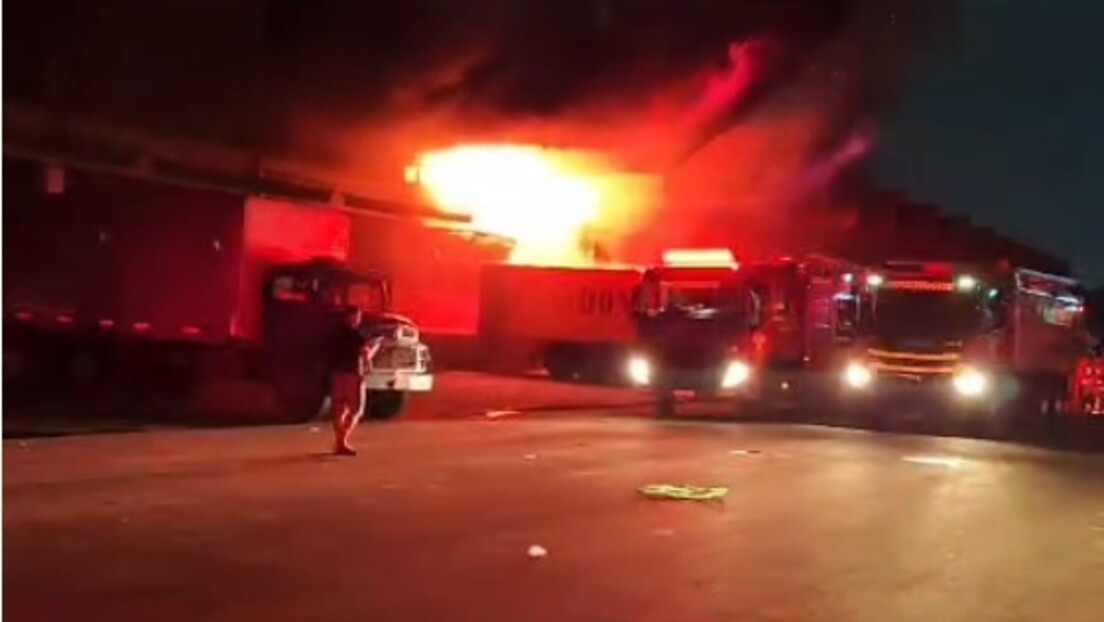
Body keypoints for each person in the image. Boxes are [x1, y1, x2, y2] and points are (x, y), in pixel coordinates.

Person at [328, 306, 380, 456]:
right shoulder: (356, 336)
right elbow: (366, 354)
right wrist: (376, 345)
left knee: (339, 408)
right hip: (352, 374)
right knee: (356, 409)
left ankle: (339, 441)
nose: (358, 320)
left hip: (337, 374)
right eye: (357, 317)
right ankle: (341, 441)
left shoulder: (334, 335)